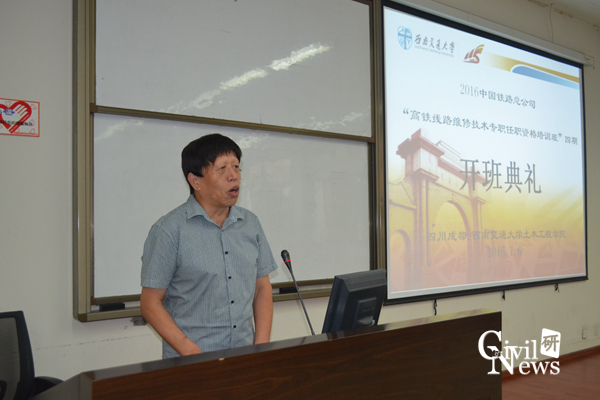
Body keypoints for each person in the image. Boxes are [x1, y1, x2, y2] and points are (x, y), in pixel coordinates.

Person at [140, 133, 278, 358]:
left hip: (244, 356)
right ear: (195, 181)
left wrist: (260, 348)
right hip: (192, 362)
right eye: (222, 169)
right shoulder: (170, 230)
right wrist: (193, 353)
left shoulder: (250, 224)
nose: (233, 176)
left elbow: (262, 288)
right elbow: (150, 303)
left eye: (236, 166)